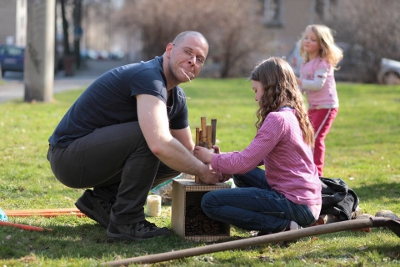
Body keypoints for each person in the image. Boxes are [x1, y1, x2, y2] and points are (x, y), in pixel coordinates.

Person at [47, 31, 223, 241]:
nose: (192, 61)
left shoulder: (177, 97)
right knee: (149, 136)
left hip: (92, 158)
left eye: (200, 59)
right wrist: (202, 171)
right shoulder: (149, 77)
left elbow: (186, 151)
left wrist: (215, 162)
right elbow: (158, 143)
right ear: (169, 50)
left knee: (177, 159)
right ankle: (127, 221)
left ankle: (103, 200)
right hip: (68, 158)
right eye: (187, 52)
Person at [194, 57, 322, 235]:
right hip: (309, 201)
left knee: (210, 202)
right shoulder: (294, 114)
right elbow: (254, 157)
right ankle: (280, 221)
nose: (255, 98)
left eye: (256, 90)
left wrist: (210, 158)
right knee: (242, 175)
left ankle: (284, 227)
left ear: (270, 88)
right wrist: (223, 160)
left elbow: (244, 161)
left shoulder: (277, 119)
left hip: (296, 203)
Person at [296, 24, 343, 176]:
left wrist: (299, 82)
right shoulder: (305, 64)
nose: (307, 41)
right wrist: (292, 92)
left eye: (313, 39)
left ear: (322, 44)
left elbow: (317, 85)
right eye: (306, 38)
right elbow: (302, 88)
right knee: (306, 137)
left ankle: (318, 174)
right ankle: (308, 170)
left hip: (326, 106)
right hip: (314, 106)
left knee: (315, 139)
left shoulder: (323, 63)